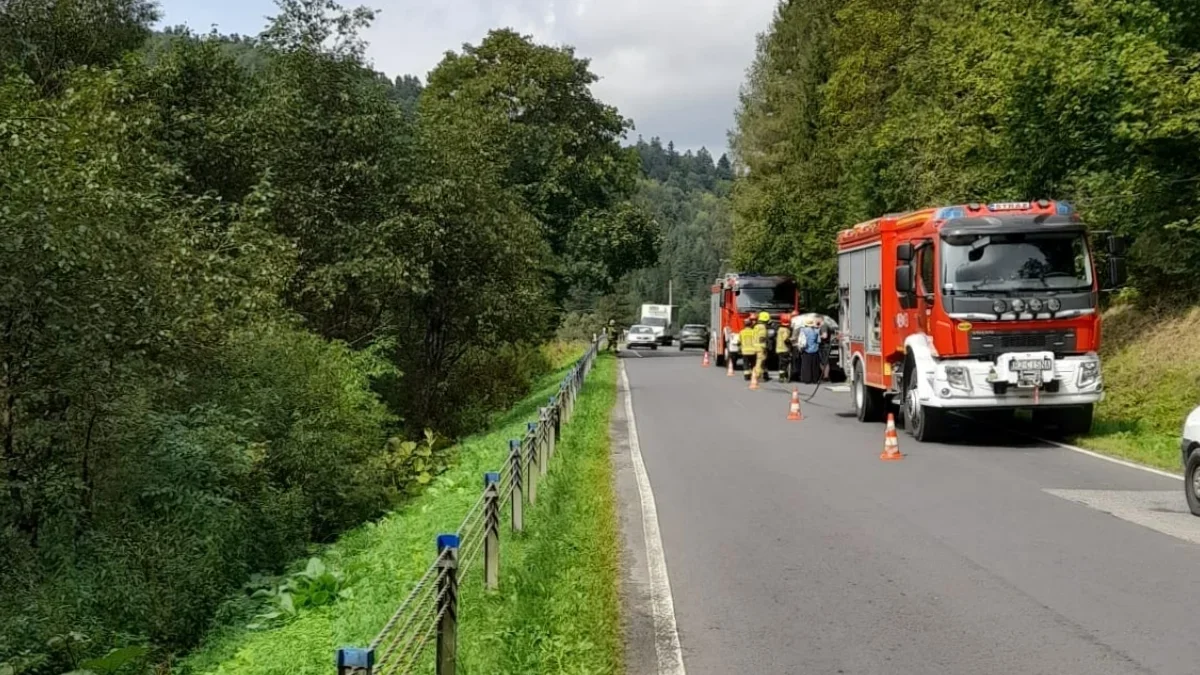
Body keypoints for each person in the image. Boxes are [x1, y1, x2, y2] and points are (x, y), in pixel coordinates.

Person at [798, 315, 822, 384]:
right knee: (814, 366)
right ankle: (815, 379)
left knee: (806, 366)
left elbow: (801, 341)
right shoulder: (816, 331)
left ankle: (807, 379)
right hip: (815, 350)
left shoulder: (803, 330)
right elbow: (819, 341)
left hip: (806, 350)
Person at [739, 314, 758, 381]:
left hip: (745, 351)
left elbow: (739, 341)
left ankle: (747, 376)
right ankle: (754, 375)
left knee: (746, 364)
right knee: (753, 364)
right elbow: (756, 340)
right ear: (750, 325)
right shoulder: (754, 332)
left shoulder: (741, 332)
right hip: (753, 351)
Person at [753, 311, 771, 382]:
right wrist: (765, 346)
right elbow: (762, 338)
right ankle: (757, 376)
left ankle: (760, 374)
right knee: (760, 362)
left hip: (755, 345)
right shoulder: (762, 327)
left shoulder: (756, 326)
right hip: (761, 347)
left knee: (759, 361)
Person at [776, 313, 793, 381]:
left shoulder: (780, 329)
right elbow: (785, 339)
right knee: (784, 364)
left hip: (779, 348)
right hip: (784, 349)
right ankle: (783, 377)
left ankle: (781, 376)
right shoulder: (786, 330)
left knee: (781, 363)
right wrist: (791, 341)